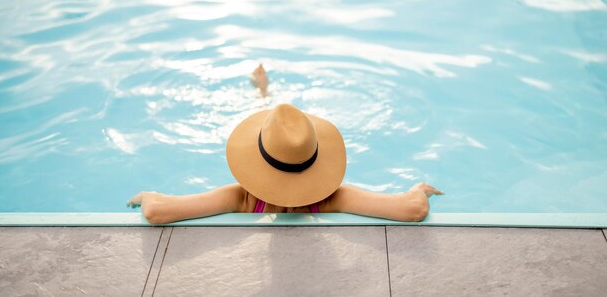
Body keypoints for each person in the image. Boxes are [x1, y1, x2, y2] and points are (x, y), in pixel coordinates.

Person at [127, 103, 442, 224]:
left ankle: (262, 88)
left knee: (264, 98)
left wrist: (146, 196)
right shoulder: (334, 198)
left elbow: (157, 211)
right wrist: (419, 190)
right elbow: (412, 210)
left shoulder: (241, 198)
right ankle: (263, 88)